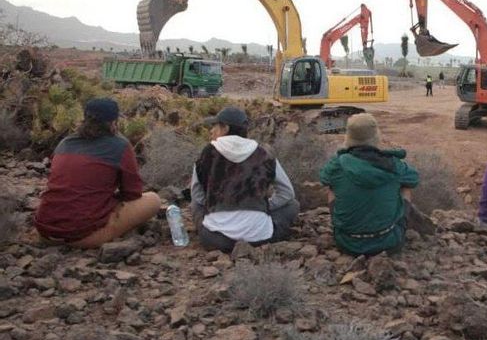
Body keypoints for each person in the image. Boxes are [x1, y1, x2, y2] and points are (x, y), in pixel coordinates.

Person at [35, 98, 161, 248]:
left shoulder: (65, 143)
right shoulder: (120, 146)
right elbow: (132, 194)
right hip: (81, 235)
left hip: (45, 231)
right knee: (153, 200)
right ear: (113, 122)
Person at [320, 113, 434, 256]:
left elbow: (324, 178)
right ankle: (395, 224)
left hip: (346, 243)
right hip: (390, 243)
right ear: (375, 136)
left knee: (332, 187)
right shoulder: (393, 165)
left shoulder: (337, 164)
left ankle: (345, 227)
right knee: (405, 186)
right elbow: (413, 179)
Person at [191, 106, 300, 253]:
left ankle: (214, 227)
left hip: (216, 239)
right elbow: (287, 193)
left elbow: (197, 194)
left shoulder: (207, 153)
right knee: (292, 205)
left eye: (215, 126)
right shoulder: (264, 153)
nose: (211, 131)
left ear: (225, 128)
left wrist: (214, 205)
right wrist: (263, 207)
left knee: (195, 205)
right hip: (260, 237)